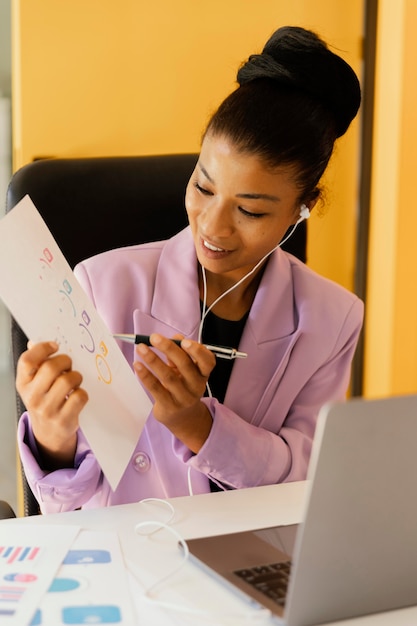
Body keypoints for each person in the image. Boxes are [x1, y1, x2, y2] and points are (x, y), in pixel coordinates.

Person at [16, 26, 363, 513]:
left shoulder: (333, 318)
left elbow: (306, 481)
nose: (213, 228)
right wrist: (54, 437)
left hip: (255, 557)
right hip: (129, 557)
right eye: (203, 187)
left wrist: (195, 422)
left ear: (301, 210)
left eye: (252, 211)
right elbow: (69, 510)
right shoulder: (102, 285)